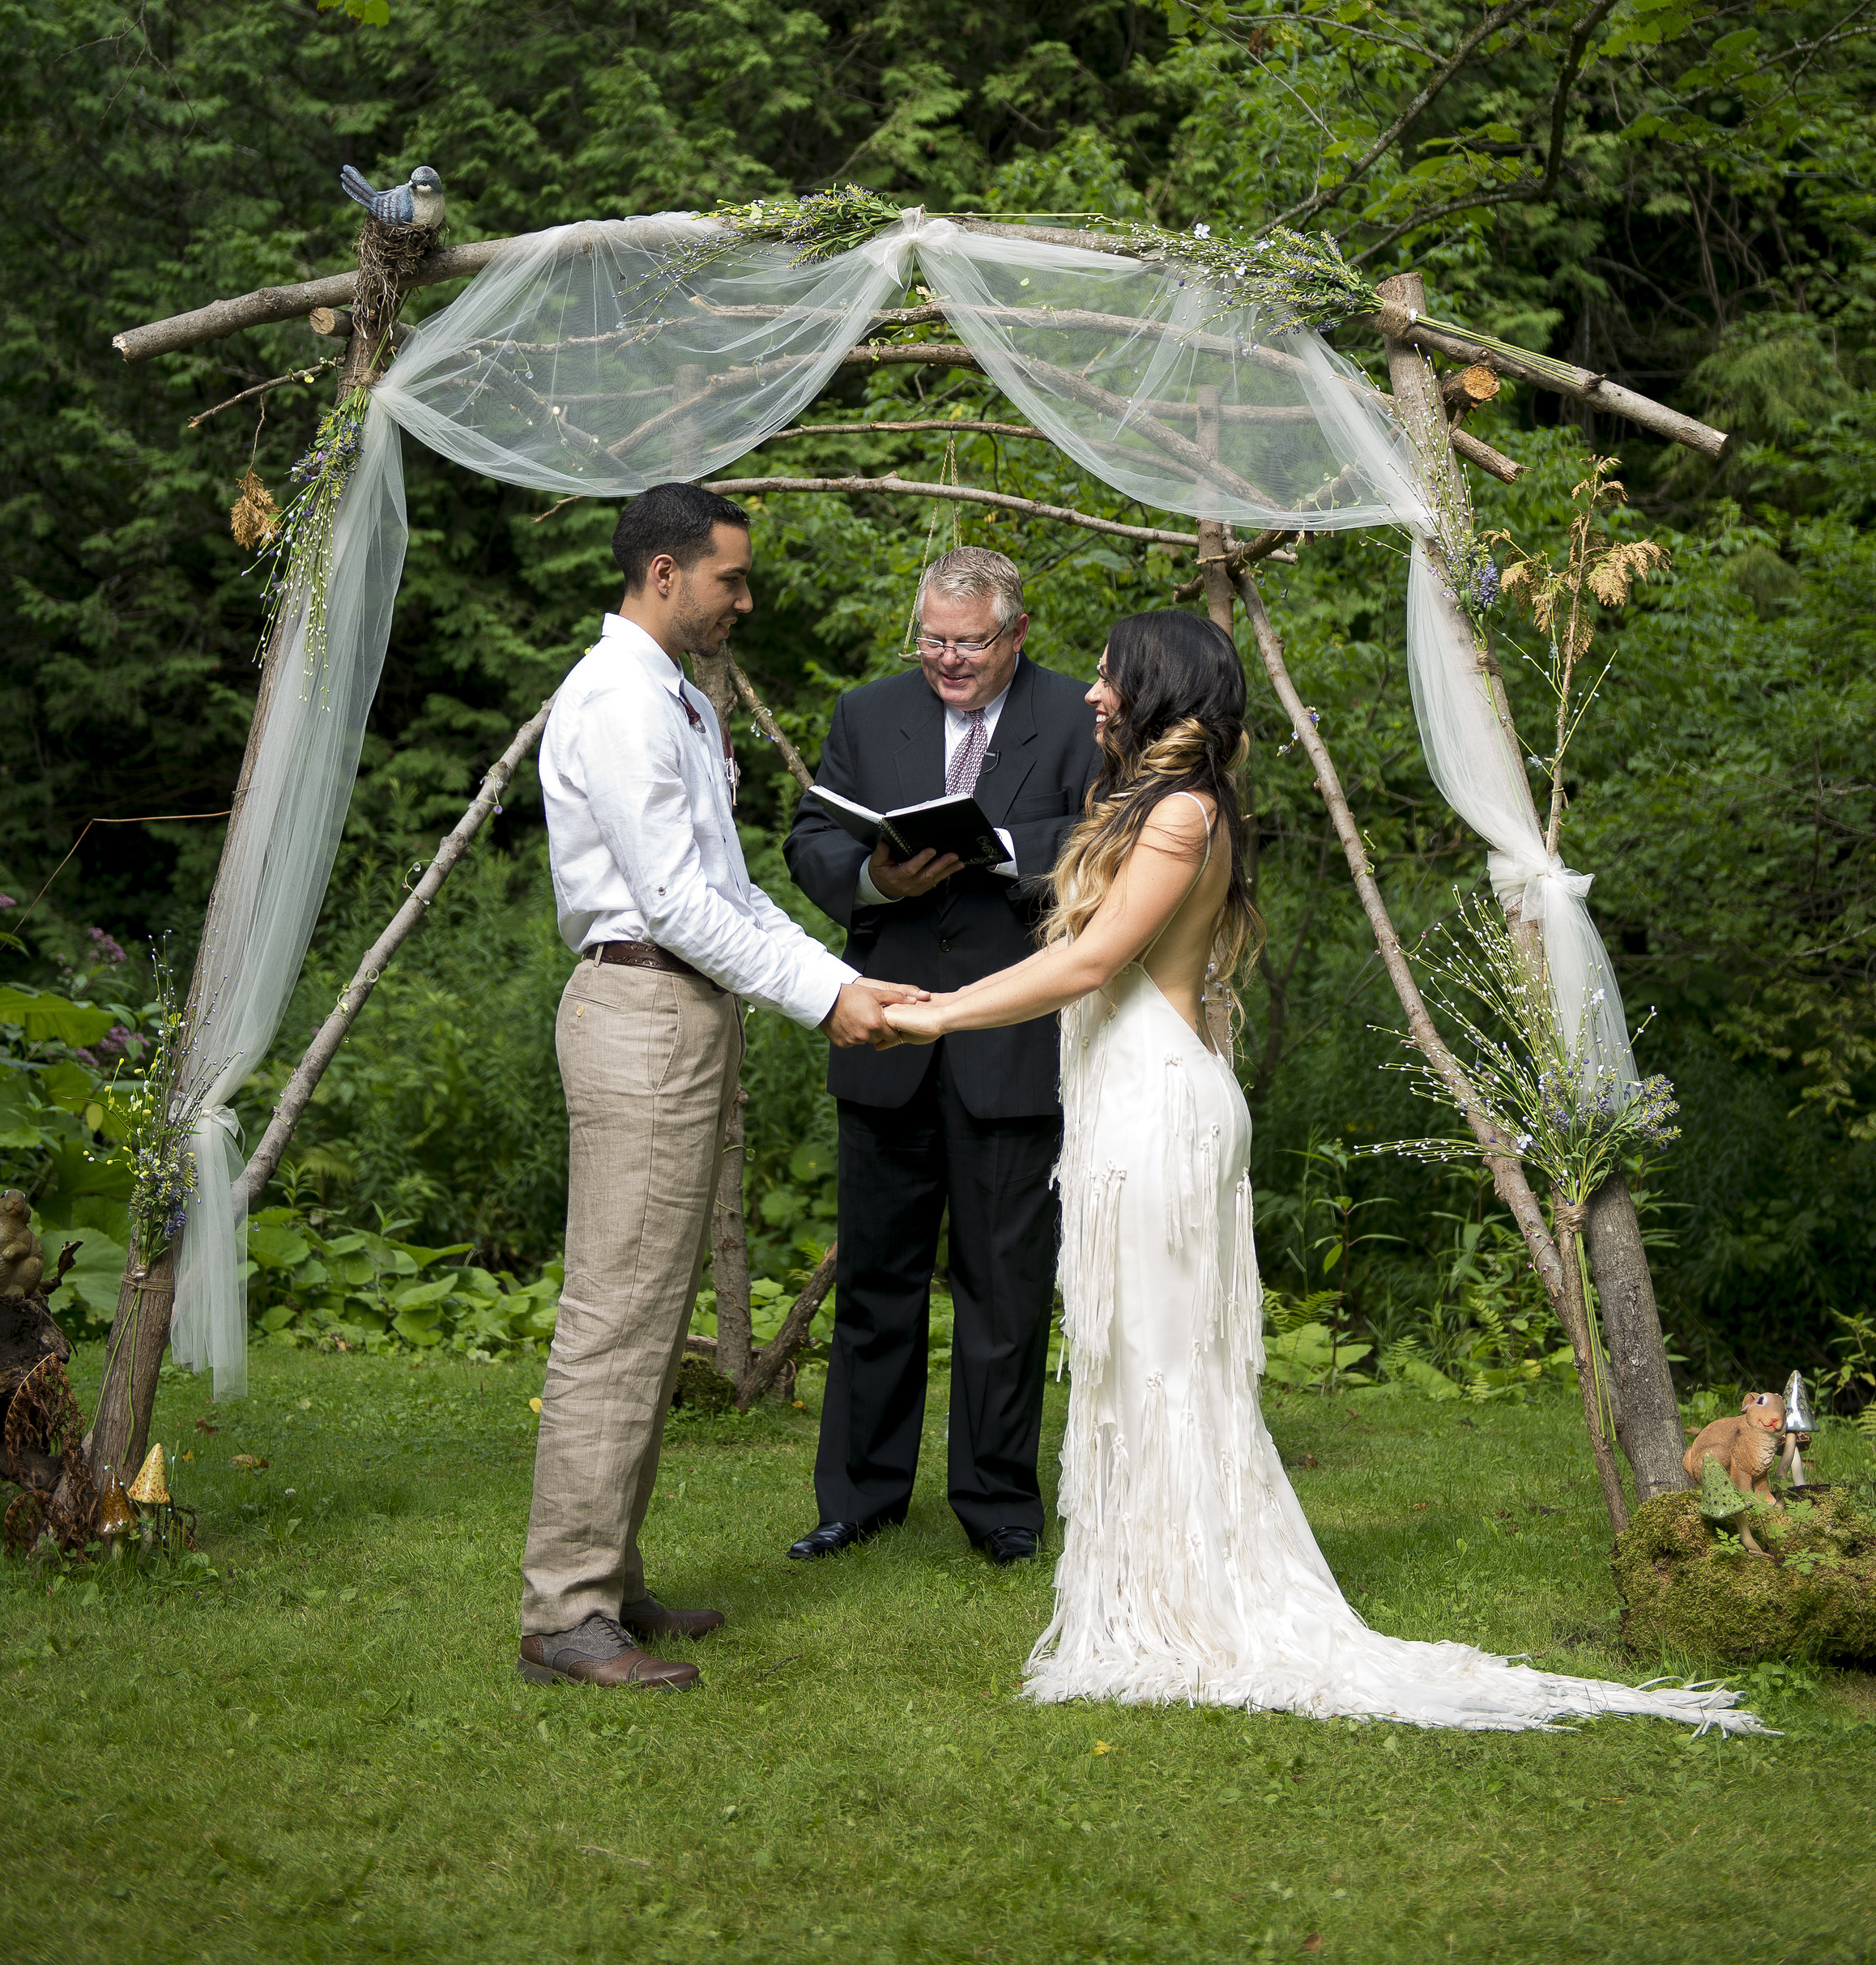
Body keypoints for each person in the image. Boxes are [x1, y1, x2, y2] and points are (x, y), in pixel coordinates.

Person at [880, 608, 1751, 1732]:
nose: (1091, 695)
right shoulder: (1150, 805)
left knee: (1164, 1358)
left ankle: (1196, 1601)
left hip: (1158, 1104)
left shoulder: (1184, 813)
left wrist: (938, 1014)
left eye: (1109, 679)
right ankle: (1152, 1585)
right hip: (1125, 1095)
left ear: (1158, 692)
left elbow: (1092, 959)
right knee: (1133, 1352)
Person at [518, 482, 922, 1695]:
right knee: (618, 1314)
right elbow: (676, 904)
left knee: (649, 1304)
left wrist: (840, 979)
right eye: (729, 579)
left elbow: (730, 890)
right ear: (662, 575)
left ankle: (610, 1578)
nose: (745, 598)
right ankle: (564, 1614)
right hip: (639, 1006)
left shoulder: (672, 697)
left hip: (678, 1008)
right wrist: (827, 1000)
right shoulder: (620, 704)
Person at [782, 548, 1098, 1565]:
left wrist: (998, 849)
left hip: (1012, 1038)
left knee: (1003, 1286)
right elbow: (808, 837)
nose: (946, 659)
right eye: (931, 638)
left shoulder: (1079, 713)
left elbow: (1111, 838)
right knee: (876, 1278)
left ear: (1015, 633)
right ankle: (859, 1495)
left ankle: (998, 1502)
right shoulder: (867, 714)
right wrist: (874, 875)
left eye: (967, 641)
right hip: (886, 1032)